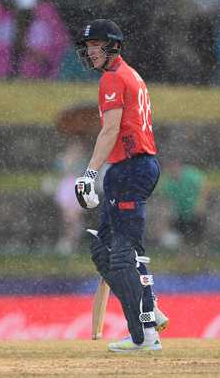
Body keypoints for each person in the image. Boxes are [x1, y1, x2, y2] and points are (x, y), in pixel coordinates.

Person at [73, 19, 168, 352]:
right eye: (87, 45)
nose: (89, 51)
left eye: (95, 44)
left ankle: (144, 335)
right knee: (103, 248)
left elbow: (110, 130)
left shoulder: (114, 78)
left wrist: (89, 173)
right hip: (129, 168)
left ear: (112, 45)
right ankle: (148, 307)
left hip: (132, 167)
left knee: (125, 255)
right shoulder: (129, 74)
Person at [159, 159, 209, 249]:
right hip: (182, 214)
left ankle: (198, 252)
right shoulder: (167, 182)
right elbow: (166, 201)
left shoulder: (190, 175)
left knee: (197, 237)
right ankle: (185, 256)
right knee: (183, 238)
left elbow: (204, 186)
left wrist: (200, 204)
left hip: (195, 213)